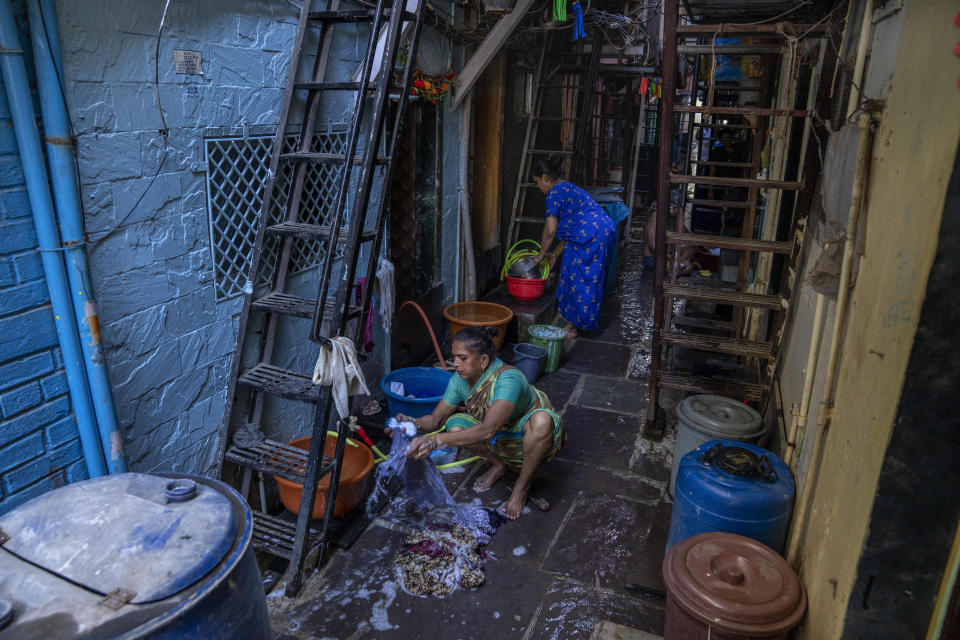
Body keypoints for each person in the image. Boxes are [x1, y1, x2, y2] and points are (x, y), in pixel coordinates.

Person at [400, 326, 564, 520]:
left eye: (463, 358)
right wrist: (410, 422)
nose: (456, 363)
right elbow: (435, 419)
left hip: (525, 435)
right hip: (498, 438)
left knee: (542, 421)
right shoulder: (459, 380)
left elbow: (488, 430)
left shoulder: (508, 379)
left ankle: (522, 486)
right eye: (454, 357)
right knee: (455, 426)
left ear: (483, 360)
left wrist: (434, 441)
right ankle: (498, 466)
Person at [529, 156, 617, 339]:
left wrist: (540, 255)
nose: (539, 188)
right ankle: (572, 322)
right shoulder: (569, 188)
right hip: (601, 230)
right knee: (576, 273)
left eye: (537, 183)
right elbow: (572, 231)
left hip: (593, 235)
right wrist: (553, 255)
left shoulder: (554, 193)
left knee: (581, 279)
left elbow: (550, 231)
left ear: (545, 177)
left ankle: (574, 326)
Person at [644, 203, 698, 276]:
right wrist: (674, 259)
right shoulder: (656, 217)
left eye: (676, 207)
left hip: (669, 256)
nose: (673, 209)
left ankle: (680, 264)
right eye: (671, 206)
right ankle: (678, 267)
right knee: (687, 269)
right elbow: (653, 247)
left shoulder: (674, 219)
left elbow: (689, 237)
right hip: (653, 258)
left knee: (691, 249)